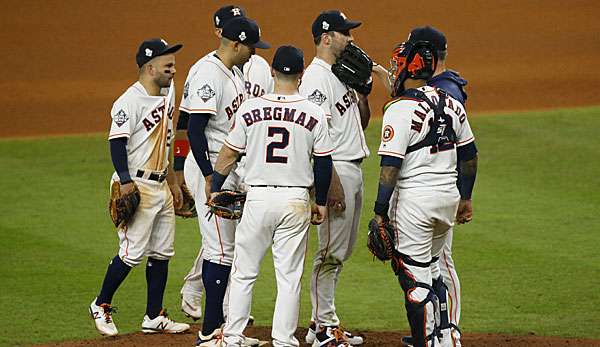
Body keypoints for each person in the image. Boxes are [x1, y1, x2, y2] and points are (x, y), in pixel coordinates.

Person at [210, 45, 334, 347]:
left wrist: (215, 187)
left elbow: (228, 155)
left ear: (273, 72)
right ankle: (283, 340)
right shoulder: (314, 112)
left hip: (258, 199)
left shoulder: (250, 109)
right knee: (289, 277)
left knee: (243, 272)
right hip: (295, 201)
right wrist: (320, 203)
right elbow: (324, 162)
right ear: (302, 74)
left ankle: (234, 336)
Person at [371, 40, 478, 347]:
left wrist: (380, 209)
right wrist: (466, 197)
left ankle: (425, 342)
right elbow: (469, 156)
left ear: (411, 68)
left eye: (398, 63)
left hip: (416, 203)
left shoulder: (399, 109)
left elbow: (390, 166)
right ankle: (446, 338)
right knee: (433, 270)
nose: (394, 69)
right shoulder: (451, 102)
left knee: (414, 282)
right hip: (448, 199)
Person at [174, 5, 273, 322]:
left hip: (231, 168)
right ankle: (214, 328)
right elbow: (193, 128)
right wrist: (206, 176)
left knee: (233, 242)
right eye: (251, 48)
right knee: (220, 248)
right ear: (235, 44)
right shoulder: (207, 72)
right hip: (212, 168)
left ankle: (229, 318)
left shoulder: (236, 71)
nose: (254, 54)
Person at [88, 38, 190, 336]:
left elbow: (167, 139)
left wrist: (173, 182)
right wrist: (126, 180)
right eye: (167, 65)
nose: (173, 69)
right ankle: (101, 304)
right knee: (132, 252)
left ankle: (153, 316)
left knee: (162, 252)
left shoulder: (168, 93)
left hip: (160, 184)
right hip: (137, 184)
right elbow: (116, 142)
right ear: (149, 67)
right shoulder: (128, 102)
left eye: (173, 64)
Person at [299, 9, 371, 347]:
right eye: (346, 33)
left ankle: (319, 323)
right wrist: (328, 184)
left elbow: (362, 123)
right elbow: (315, 137)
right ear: (326, 37)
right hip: (337, 168)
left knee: (340, 251)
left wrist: (364, 89)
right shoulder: (315, 78)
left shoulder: (341, 73)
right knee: (329, 252)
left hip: (353, 165)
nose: (352, 39)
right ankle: (326, 329)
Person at [400, 26, 468, 347]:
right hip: (433, 190)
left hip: (437, 189)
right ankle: (433, 330)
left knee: (442, 263)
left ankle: (449, 329)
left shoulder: (447, 90)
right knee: (431, 265)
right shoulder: (433, 88)